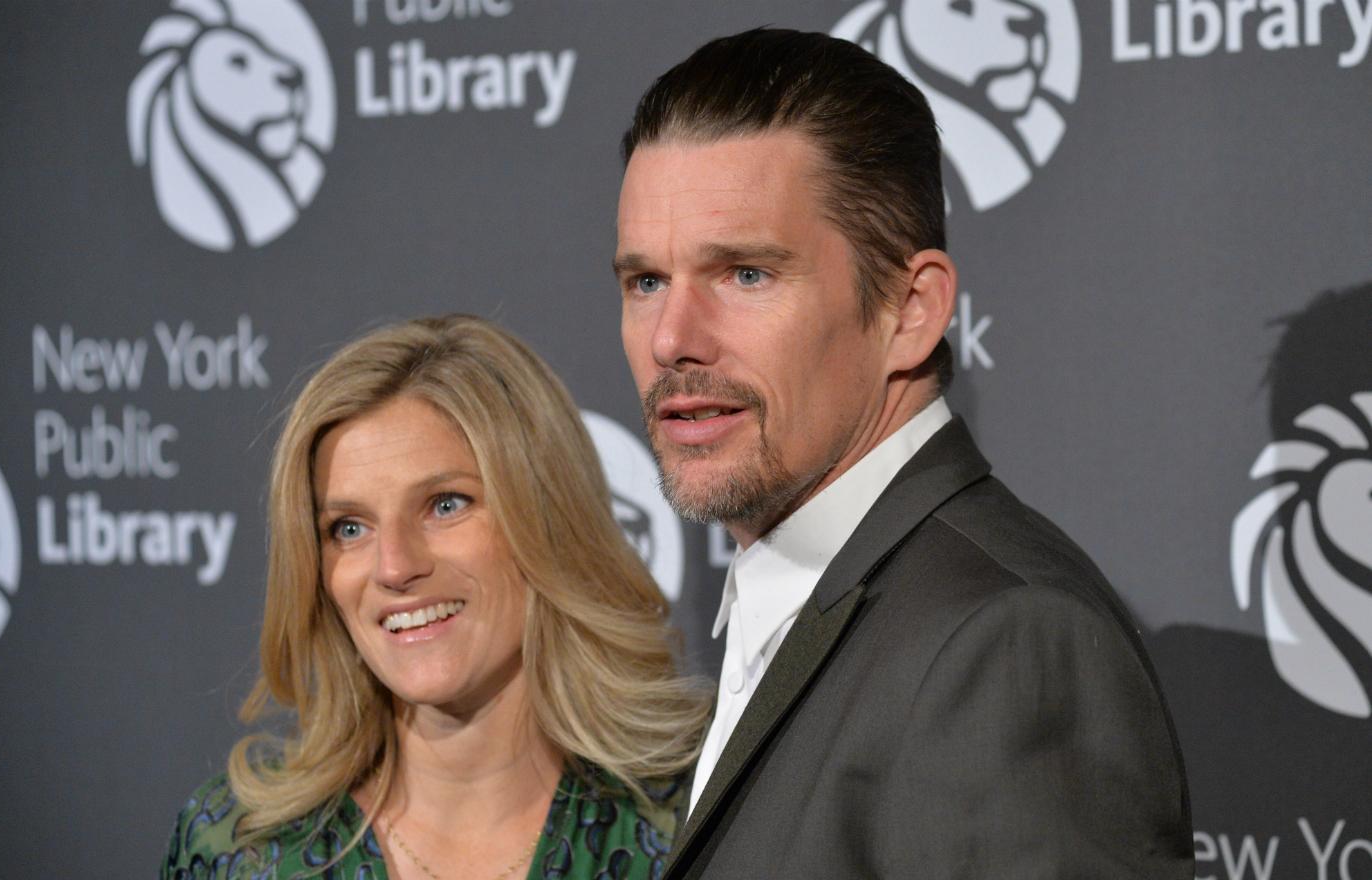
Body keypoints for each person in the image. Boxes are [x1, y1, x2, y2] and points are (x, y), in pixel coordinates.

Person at [613, 28, 1194, 878]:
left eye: (746, 275)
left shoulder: (1007, 647)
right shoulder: (800, 598)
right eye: (646, 282)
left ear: (911, 310)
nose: (671, 339)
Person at [161, 315, 711, 879]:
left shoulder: (696, 821)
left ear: (547, 518)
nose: (395, 567)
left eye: (446, 504)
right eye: (350, 528)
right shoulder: (237, 850)